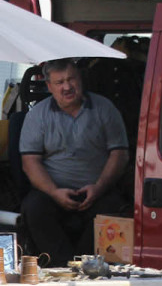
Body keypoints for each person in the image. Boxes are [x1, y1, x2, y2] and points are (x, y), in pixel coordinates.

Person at [18, 58, 130, 264]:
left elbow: (120, 154)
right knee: (33, 208)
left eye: (71, 79)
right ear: (49, 86)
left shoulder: (105, 108)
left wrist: (99, 188)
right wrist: (54, 192)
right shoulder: (37, 115)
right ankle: (61, 268)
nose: (67, 87)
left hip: (98, 191)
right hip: (53, 193)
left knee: (117, 211)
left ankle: (90, 269)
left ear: (80, 79)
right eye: (60, 82)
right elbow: (30, 162)